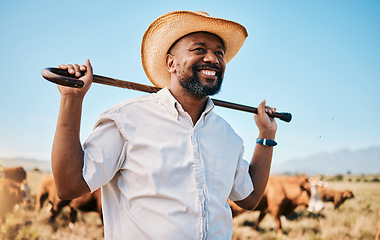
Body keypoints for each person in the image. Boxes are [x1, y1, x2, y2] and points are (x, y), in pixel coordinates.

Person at [51, 10, 277, 239]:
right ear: (171, 63)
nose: (213, 58)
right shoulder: (126, 120)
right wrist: (71, 99)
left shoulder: (228, 136)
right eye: (199, 49)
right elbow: (69, 186)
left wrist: (266, 135)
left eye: (219, 53)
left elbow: (249, 198)